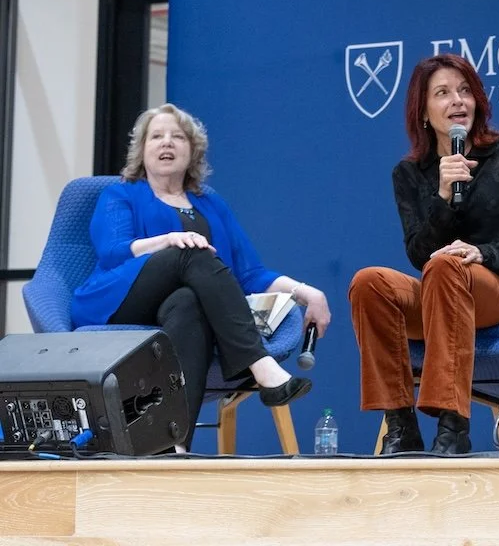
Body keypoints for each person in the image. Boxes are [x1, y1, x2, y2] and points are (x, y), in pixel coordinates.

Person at [72, 104, 332, 450]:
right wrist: (169, 240)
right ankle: (259, 363)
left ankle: (172, 444)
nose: (167, 142)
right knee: (191, 252)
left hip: (176, 308)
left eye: (177, 137)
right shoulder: (122, 193)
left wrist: (307, 293)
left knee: (189, 303)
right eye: (157, 136)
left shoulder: (210, 203)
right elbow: (113, 250)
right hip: (118, 299)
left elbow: (250, 273)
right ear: (142, 149)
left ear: (192, 150)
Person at [349, 53, 499, 456]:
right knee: (369, 282)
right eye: (442, 93)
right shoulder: (409, 173)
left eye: (464, 91)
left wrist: (482, 253)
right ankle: (400, 424)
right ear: (423, 112)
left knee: (447, 265)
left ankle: (453, 425)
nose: (457, 101)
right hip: (443, 288)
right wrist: (442, 197)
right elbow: (418, 254)